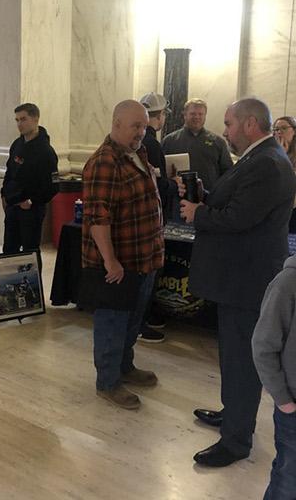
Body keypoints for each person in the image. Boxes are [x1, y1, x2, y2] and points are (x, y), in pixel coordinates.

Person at [180, 97, 296, 467]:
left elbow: (237, 219)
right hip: (240, 276)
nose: (225, 131)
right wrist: (204, 196)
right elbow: (235, 202)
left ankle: (236, 440)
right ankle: (234, 416)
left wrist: (199, 213)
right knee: (232, 355)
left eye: (229, 124)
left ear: (249, 124)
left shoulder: (268, 163)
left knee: (243, 359)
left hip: (247, 279)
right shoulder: (260, 157)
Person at [82, 100, 165, 411]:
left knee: (132, 322)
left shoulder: (138, 154)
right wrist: (110, 261)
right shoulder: (104, 162)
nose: (141, 132)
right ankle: (107, 382)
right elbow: (96, 218)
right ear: (116, 123)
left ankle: (125, 367)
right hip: (119, 265)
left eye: (144, 126)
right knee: (112, 325)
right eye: (135, 126)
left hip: (144, 259)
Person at [255, 255, 296, 499]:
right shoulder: (288, 282)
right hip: (292, 406)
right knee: (288, 480)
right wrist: (284, 401)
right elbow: (263, 347)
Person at [1, 102, 59, 253]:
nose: (20, 124)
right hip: (12, 205)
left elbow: (53, 186)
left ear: (36, 119)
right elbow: (9, 172)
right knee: (9, 249)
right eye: (17, 120)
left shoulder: (46, 151)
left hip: (31, 209)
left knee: (30, 252)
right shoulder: (16, 144)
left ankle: (32, 278)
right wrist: (4, 195)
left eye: (23, 119)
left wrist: (32, 201)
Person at [139, 93, 172, 342]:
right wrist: (176, 183)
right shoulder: (152, 144)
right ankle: (140, 321)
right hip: (151, 220)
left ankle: (143, 316)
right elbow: (157, 186)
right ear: (159, 117)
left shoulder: (139, 143)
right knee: (148, 273)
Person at [163, 98, 233, 194]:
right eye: (193, 114)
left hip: (210, 198)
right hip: (177, 197)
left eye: (200, 114)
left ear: (205, 116)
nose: (197, 117)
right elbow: (162, 173)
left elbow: (227, 172)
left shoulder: (218, 142)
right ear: (184, 115)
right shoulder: (170, 141)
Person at [275, 116, 296, 234]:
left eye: (283, 128)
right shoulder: (272, 151)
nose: (279, 132)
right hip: (279, 208)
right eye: (276, 129)